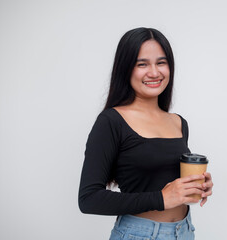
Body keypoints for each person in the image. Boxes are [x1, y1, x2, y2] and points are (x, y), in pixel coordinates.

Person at [78, 27, 213, 240]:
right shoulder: (111, 121)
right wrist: (161, 198)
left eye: (161, 62)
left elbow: (163, 181)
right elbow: (89, 199)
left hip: (184, 231)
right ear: (126, 69)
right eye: (142, 64)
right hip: (139, 234)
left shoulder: (178, 122)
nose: (154, 72)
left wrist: (195, 186)